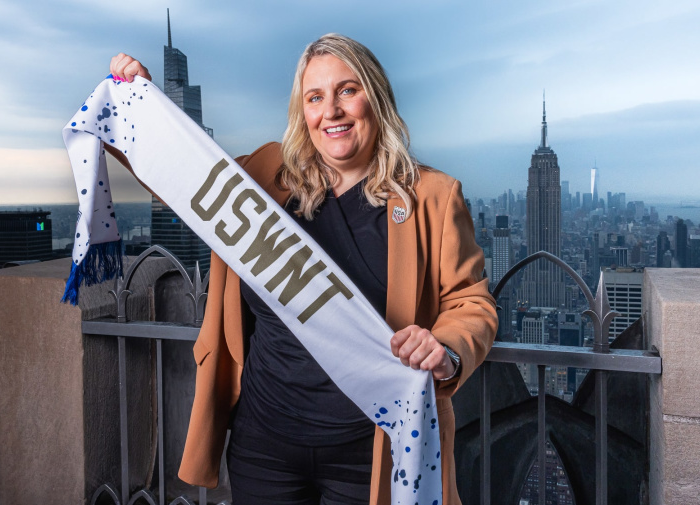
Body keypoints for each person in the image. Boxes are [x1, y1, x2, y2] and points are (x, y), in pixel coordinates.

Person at [109, 33, 497, 505]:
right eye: (315, 97)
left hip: (370, 448)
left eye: (347, 91)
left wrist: (447, 350)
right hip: (263, 442)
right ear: (303, 110)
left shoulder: (432, 196)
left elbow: (470, 302)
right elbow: (181, 179)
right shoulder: (267, 174)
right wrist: (141, 105)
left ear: (375, 98)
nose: (330, 111)